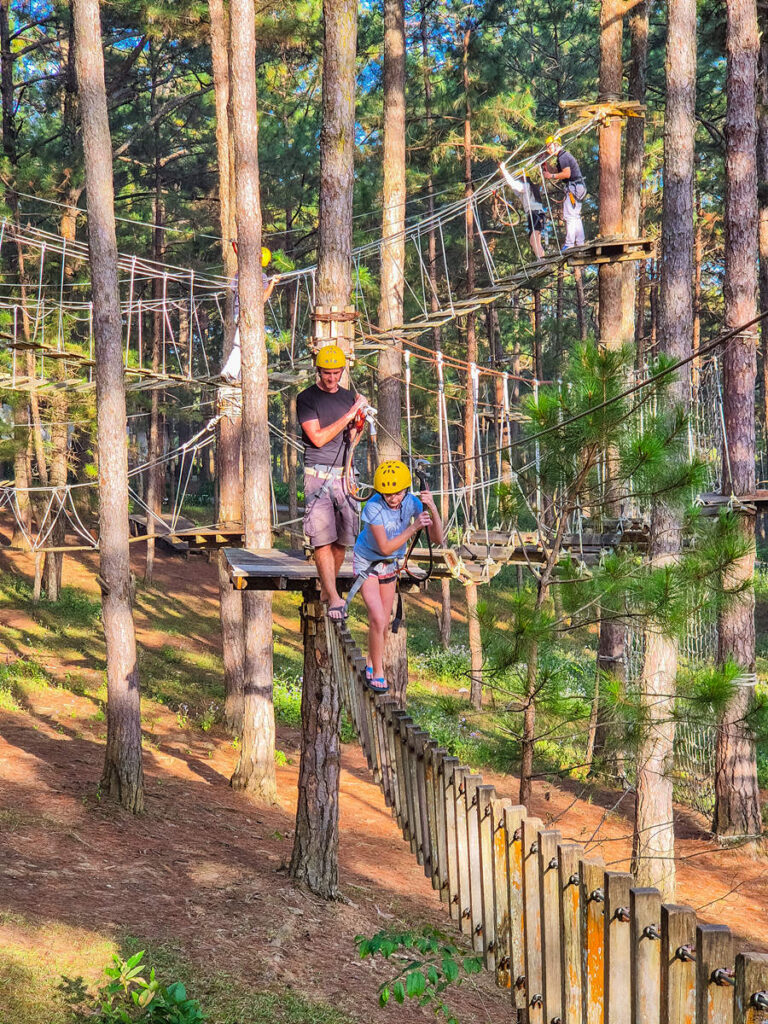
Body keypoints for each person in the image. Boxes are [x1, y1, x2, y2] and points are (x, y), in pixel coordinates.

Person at [351, 459, 443, 694]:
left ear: (405, 490)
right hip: (368, 562)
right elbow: (384, 547)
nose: (392, 498)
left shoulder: (411, 502)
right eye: (387, 494)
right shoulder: (373, 507)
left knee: (384, 623)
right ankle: (378, 674)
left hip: (390, 566)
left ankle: (372, 663)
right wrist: (413, 528)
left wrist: (431, 507)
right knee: (377, 618)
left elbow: (437, 540)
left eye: (397, 493)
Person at [297, 344, 369, 621]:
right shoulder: (307, 398)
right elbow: (317, 438)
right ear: (319, 371)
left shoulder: (349, 397)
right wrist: (350, 415)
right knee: (322, 540)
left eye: (336, 373)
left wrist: (358, 423)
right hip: (318, 476)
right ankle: (333, 594)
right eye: (327, 373)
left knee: (342, 540)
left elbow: (351, 439)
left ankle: (328, 590)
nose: (332, 378)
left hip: (345, 475)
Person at [221, 245, 280, 383]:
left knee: (242, 344)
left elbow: (232, 288)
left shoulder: (240, 273)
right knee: (242, 345)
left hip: (237, 313)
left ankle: (236, 374)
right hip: (248, 315)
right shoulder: (262, 276)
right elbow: (262, 299)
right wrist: (272, 283)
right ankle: (229, 372)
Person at [542, 137, 587, 250]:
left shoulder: (563, 156)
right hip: (577, 187)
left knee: (569, 216)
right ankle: (580, 242)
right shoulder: (561, 157)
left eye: (549, 146)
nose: (548, 150)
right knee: (575, 216)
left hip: (574, 187)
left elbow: (566, 174)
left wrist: (551, 176)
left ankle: (570, 244)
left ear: (556, 144)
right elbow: (558, 172)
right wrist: (546, 168)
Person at [499, 164, 546, 260]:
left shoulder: (526, 186)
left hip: (535, 215)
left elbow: (513, 183)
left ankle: (542, 260)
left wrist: (503, 169)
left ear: (522, 178)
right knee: (534, 241)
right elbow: (513, 186)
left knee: (534, 240)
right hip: (535, 215)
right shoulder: (527, 189)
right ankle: (542, 259)